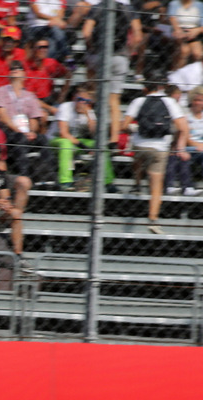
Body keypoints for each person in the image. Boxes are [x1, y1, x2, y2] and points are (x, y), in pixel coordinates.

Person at [123, 80, 189, 234]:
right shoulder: (170, 102)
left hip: (140, 145)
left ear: (145, 88)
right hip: (160, 147)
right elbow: (183, 127)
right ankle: (153, 219)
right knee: (156, 185)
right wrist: (178, 146)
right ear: (162, 87)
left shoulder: (138, 101)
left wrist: (134, 128)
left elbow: (124, 126)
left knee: (138, 156)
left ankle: (137, 183)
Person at [82, 0, 140, 141]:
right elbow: (138, 37)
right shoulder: (128, 9)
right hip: (119, 57)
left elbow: (86, 32)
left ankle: (94, 131)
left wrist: (92, 48)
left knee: (91, 91)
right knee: (114, 100)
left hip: (99, 57)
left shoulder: (98, 7)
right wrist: (128, 52)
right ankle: (114, 138)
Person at [48, 84, 113, 190]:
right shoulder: (65, 107)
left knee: (101, 145)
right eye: (80, 99)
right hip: (56, 140)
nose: (82, 103)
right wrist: (83, 146)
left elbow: (96, 134)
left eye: (86, 101)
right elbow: (63, 133)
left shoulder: (88, 111)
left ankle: (108, 182)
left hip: (77, 141)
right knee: (66, 143)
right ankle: (65, 181)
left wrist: (88, 116)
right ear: (74, 98)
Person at [0, 60, 45, 179]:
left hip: (26, 132)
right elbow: (3, 116)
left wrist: (31, 132)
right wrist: (20, 132)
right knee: (20, 138)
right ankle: (25, 176)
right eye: (12, 68)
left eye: (19, 68)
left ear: (24, 74)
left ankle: (48, 177)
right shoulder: (0, 91)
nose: (15, 69)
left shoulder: (30, 96)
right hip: (7, 130)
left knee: (43, 140)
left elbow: (34, 118)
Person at [168, 87, 203, 194]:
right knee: (183, 156)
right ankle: (187, 187)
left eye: (201, 100)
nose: (198, 103)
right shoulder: (185, 115)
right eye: (196, 100)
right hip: (188, 147)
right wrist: (196, 145)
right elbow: (184, 133)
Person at [21, 33, 67, 113]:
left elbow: (68, 74)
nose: (44, 50)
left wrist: (62, 95)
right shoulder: (26, 66)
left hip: (49, 99)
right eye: (40, 47)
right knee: (42, 115)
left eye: (46, 47)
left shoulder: (51, 63)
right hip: (32, 102)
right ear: (33, 49)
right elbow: (30, 98)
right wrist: (50, 108)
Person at [169, 0, 203, 66]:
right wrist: (178, 30)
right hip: (179, 32)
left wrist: (197, 30)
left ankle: (197, 74)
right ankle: (176, 72)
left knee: (198, 54)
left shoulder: (200, 5)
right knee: (184, 51)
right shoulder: (174, 3)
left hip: (194, 32)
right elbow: (172, 19)